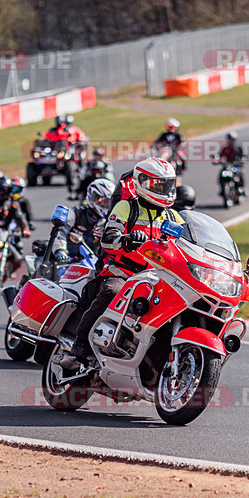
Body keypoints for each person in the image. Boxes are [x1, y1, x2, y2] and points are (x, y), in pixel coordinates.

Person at [57, 157, 183, 369]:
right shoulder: (126, 208)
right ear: (142, 182)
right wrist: (126, 239)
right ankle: (79, 347)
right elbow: (108, 239)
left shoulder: (172, 216)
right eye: (159, 184)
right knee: (112, 291)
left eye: (167, 184)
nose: (165, 190)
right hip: (123, 272)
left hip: (156, 278)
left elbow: (187, 240)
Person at [55, 177, 115, 263]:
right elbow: (59, 233)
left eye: (109, 202)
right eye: (104, 202)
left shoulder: (110, 222)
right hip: (66, 263)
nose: (106, 206)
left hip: (92, 264)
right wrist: (60, 251)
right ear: (93, 199)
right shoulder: (74, 213)